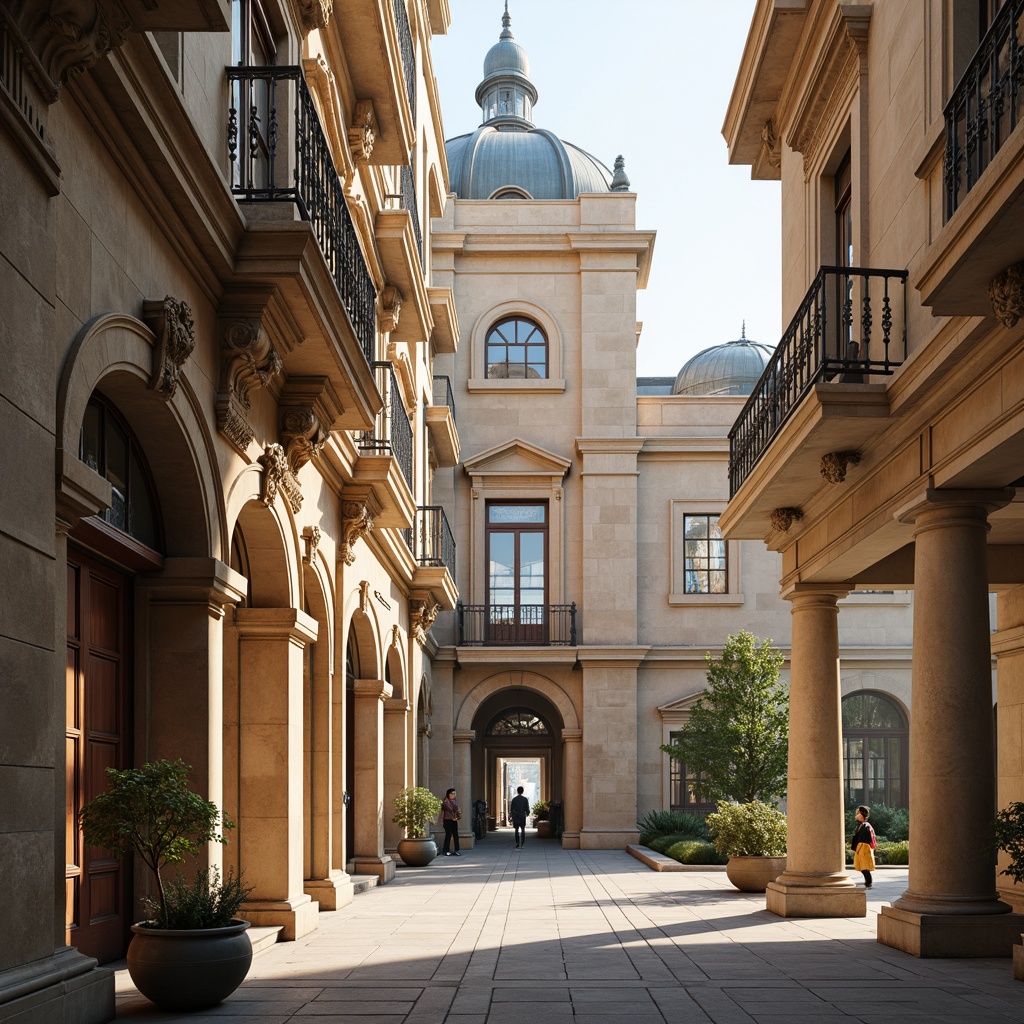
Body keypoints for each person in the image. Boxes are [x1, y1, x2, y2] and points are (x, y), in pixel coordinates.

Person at [851, 804, 876, 889]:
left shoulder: (866, 825)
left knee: (864, 867)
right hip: (861, 847)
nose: (856, 814)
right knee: (862, 866)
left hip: (864, 847)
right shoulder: (862, 825)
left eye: (858, 813)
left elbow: (866, 838)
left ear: (861, 814)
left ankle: (869, 882)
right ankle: (868, 881)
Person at [441, 788, 461, 856]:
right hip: (447, 820)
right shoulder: (446, 802)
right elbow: (451, 810)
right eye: (453, 793)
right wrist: (456, 811)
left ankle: (456, 850)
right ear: (449, 794)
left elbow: (457, 810)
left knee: (455, 835)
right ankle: (445, 850)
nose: (454, 795)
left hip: (454, 820)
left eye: (455, 793)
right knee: (448, 834)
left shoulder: (455, 801)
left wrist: (458, 815)